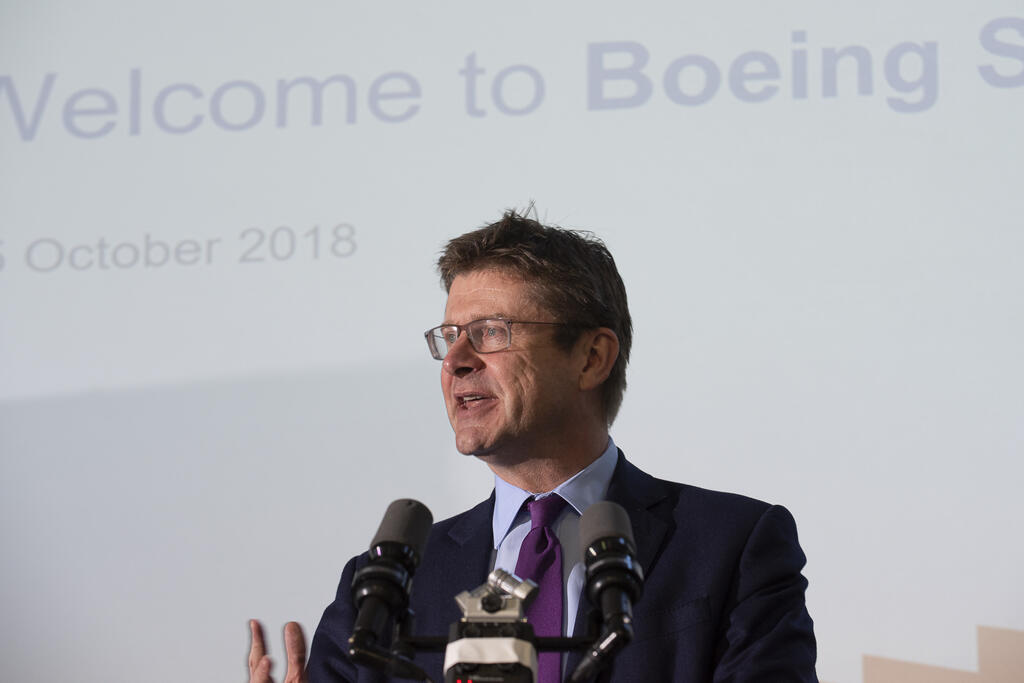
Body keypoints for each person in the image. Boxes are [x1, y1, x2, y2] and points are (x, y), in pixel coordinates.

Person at [249, 210, 817, 682]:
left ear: (591, 357)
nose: (456, 361)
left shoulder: (732, 545)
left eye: (491, 331)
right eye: (449, 337)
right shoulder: (382, 587)